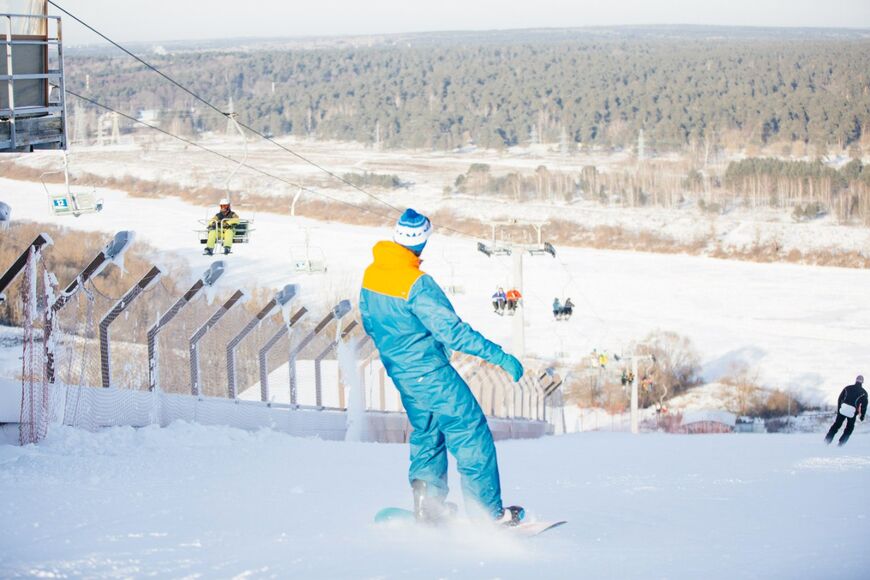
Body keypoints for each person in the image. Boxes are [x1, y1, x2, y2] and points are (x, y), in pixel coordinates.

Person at [359, 208, 526, 526]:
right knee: (470, 433)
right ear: (422, 240)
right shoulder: (416, 284)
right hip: (432, 374)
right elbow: (452, 332)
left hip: (402, 374)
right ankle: (488, 515)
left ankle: (429, 508)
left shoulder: (372, 274)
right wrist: (499, 356)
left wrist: (400, 356)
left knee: (428, 434)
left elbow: (369, 322)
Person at [825, 375, 867, 447]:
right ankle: (841, 444)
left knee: (836, 425)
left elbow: (840, 399)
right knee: (849, 428)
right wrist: (862, 416)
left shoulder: (847, 388)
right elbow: (864, 406)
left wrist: (839, 410)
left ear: (856, 380)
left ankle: (826, 441)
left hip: (843, 409)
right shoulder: (864, 392)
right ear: (862, 382)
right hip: (852, 412)